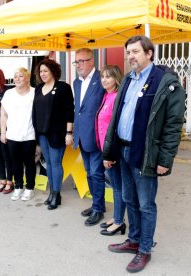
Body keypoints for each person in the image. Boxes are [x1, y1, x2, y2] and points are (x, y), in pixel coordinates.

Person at [103, 36, 185, 273]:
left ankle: (145, 249)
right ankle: (134, 240)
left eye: (136, 52)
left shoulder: (165, 82)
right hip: (124, 150)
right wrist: (110, 151)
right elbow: (117, 117)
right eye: (128, 52)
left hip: (146, 153)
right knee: (129, 198)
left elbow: (173, 124)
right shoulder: (128, 79)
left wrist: (165, 160)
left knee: (146, 204)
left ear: (149, 53)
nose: (130, 56)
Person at [32, 59, 74, 210]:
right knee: (48, 163)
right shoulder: (38, 88)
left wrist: (69, 133)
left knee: (56, 163)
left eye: (46, 71)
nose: (43, 74)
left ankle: (56, 194)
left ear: (53, 71)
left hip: (57, 133)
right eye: (41, 71)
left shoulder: (63, 87)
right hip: (42, 133)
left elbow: (70, 111)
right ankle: (52, 193)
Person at [73, 48, 106, 226]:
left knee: (96, 173)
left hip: (96, 136)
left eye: (81, 61)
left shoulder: (101, 79)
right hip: (82, 135)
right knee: (89, 172)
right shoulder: (76, 83)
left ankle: (98, 209)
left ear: (91, 61)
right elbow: (77, 109)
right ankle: (96, 204)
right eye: (76, 62)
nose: (78, 65)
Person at [95, 65, 126, 235]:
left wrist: (109, 154)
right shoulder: (107, 96)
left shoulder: (116, 98)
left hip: (112, 151)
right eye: (102, 77)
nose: (104, 80)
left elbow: (114, 128)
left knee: (118, 187)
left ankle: (119, 221)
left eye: (108, 77)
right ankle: (116, 216)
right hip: (104, 149)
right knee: (115, 186)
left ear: (116, 78)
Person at [0, 68, 37, 201]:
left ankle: (30, 188)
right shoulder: (9, 94)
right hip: (12, 135)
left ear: (27, 78)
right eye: (15, 76)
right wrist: (3, 132)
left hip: (29, 134)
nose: (17, 79)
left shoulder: (35, 92)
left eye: (21, 76)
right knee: (15, 163)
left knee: (29, 163)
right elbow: (3, 115)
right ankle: (18, 187)